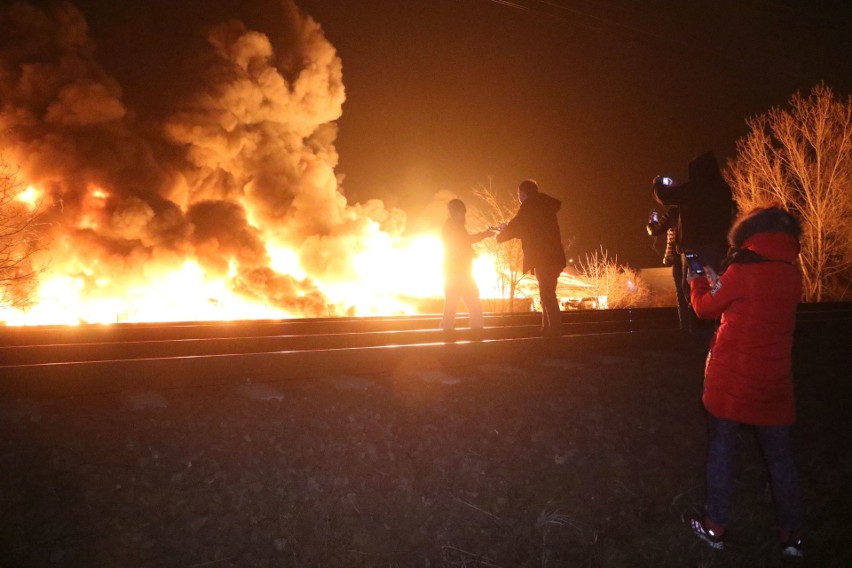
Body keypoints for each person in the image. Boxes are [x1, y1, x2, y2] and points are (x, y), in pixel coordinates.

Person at [686, 206, 804, 557]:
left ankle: (715, 526)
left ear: (750, 235)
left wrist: (698, 279)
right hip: (774, 382)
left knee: (722, 450)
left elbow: (705, 308)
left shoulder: (743, 269)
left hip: (733, 382)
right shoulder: (791, 273)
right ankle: (792, 536)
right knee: (781, 459)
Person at [653, 151, 735, 337]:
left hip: (694, 251)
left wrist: (658, 183)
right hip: (717, 248)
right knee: (715, 287)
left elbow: (666, 197)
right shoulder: (723, 189)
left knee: (692, 287)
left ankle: (697, 331)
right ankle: (716, 328)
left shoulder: (695, 188)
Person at [495, 179, 566, 336]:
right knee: (547, 294)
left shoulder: (529, 206)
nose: (519, 197)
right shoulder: (545, 206)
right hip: (555, 257)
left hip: (544, 259)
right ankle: (547, 330)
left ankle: (554, 332)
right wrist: (507, 229)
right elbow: (528, 229)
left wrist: (501, 235)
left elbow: (518, 226)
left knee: (547, 295)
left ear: (523, 193)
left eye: (519, 194)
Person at [440, 199, 494, 331]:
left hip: (455, 272)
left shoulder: (452, 226)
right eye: (461, 212)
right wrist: (485, 234)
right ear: (454, 212)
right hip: (459, 273)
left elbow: (461, 245)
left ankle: (446, 335)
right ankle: (476, 334)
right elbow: (462, 242)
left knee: (452, 306)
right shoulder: (453, 226)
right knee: (471, 304)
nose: (463, 215)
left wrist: (471, 252)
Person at [646, 206, 690, 330]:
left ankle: (686, 329)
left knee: (681, 295)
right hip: (697, 256)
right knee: (696, 292)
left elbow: (654, 231)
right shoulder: (697, 209)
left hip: (678, 257)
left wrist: (651, 222)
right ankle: (700, 327)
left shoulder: (673, 213)